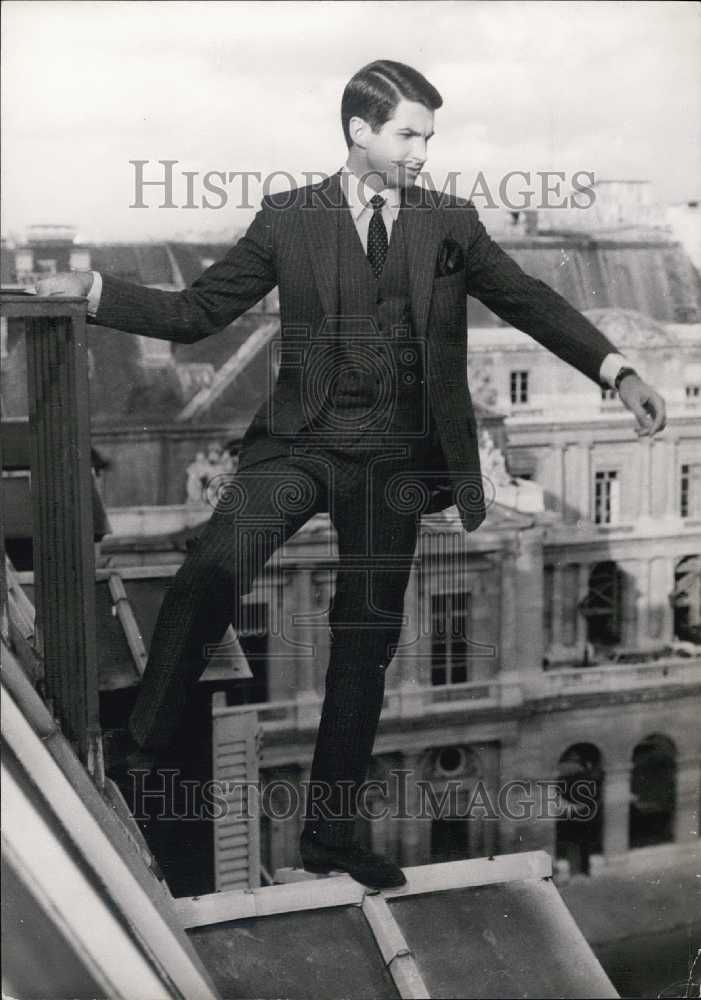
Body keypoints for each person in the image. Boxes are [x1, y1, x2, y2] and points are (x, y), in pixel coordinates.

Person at [38, 59, 666, 889]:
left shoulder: (448, 222)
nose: (421, 152)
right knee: (209, 572)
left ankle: (332, 837)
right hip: (301, 445)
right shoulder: (290, 218)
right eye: (408, 134)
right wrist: (89, 289)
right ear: (358, 132)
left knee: (361, 649)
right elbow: (196, 314)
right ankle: (136, 751)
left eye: (428, 137)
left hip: (396, 464)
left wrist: (615, 368)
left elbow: (528, 299)